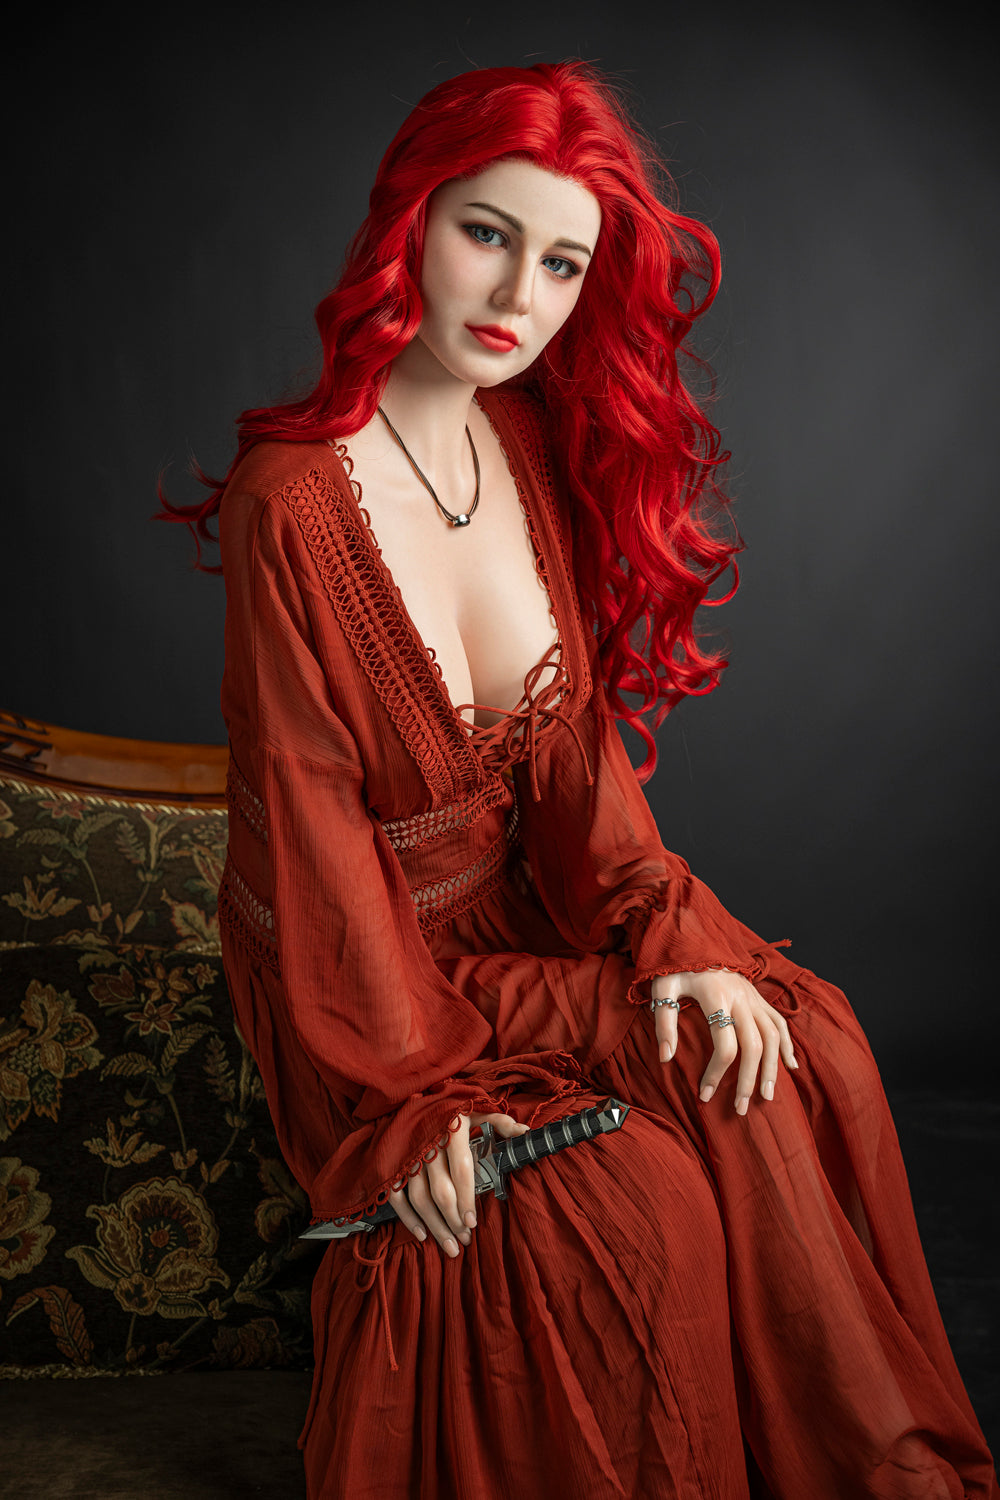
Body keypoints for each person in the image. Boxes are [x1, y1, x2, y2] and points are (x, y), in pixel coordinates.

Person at [160, 59, 997, 1500]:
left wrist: (663, 936)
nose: (518, 295)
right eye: (487, 234)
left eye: (561, 263)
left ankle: (869, 1477)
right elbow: (309, 834)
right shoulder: (288, 502)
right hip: (366, 972)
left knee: (777, 1047)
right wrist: (414, 1100)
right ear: (409, 222)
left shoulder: (525, 443)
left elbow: (570, 762)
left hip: (518, 925)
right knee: (639, 1201)